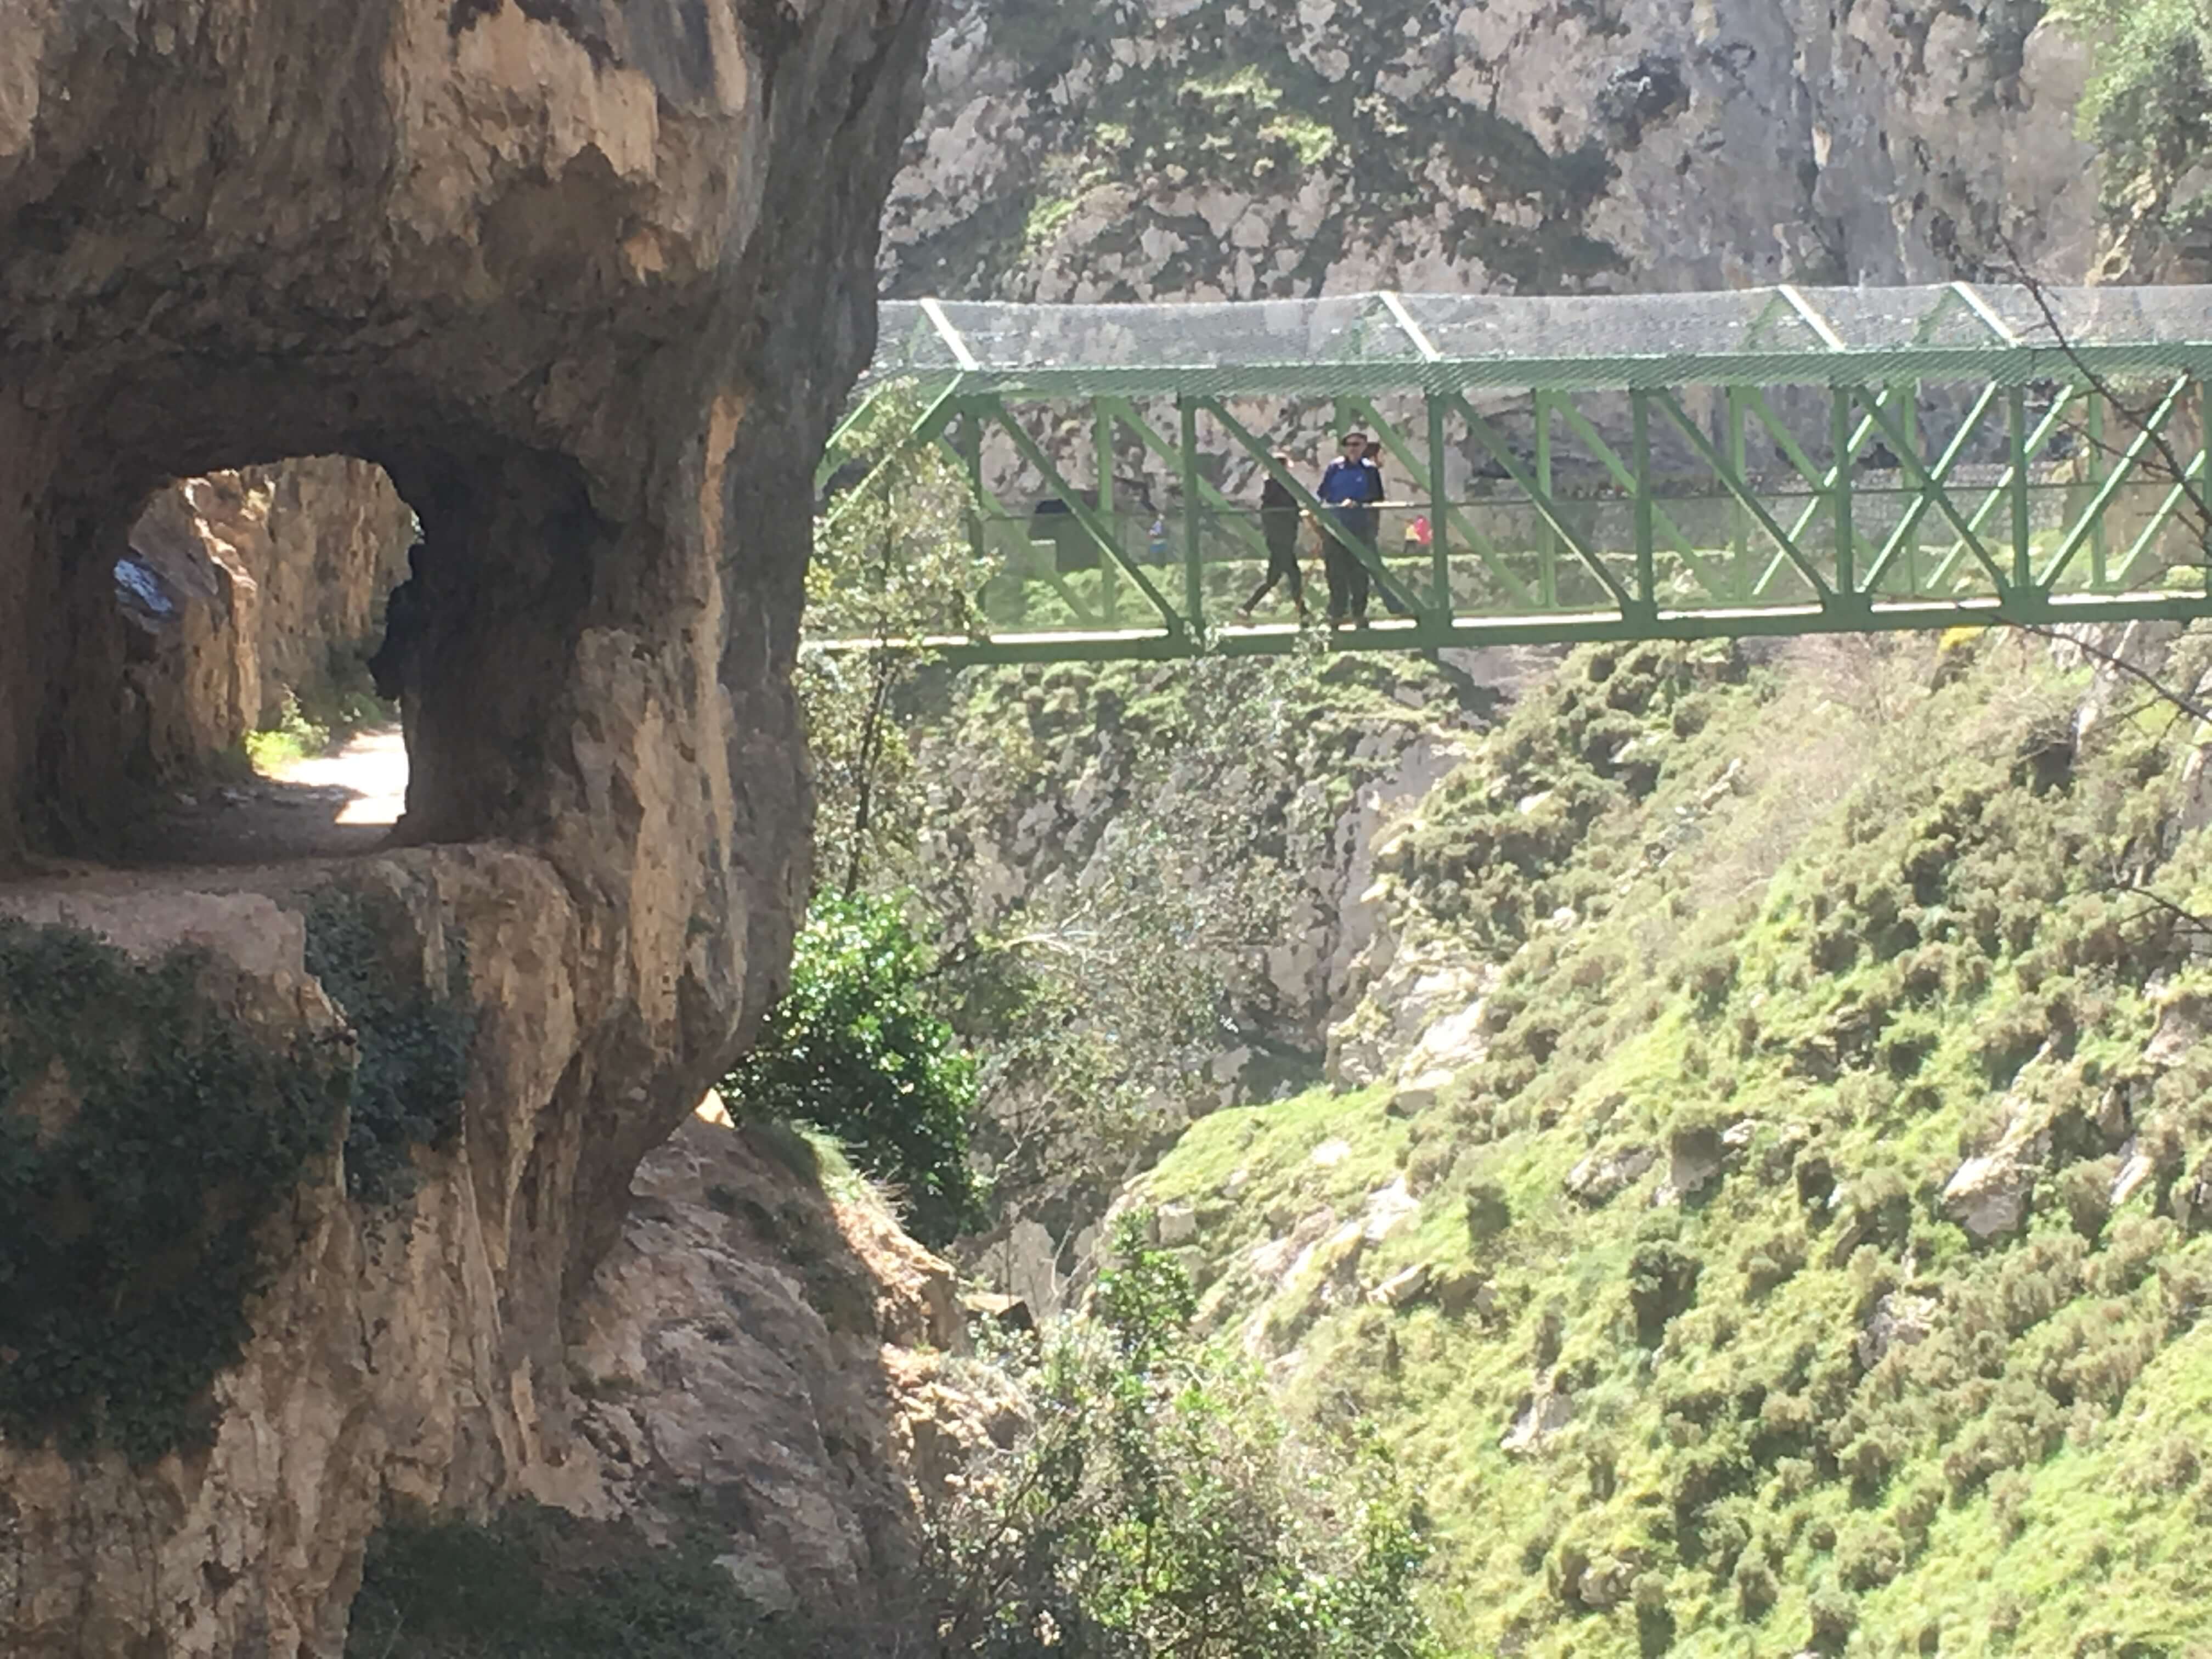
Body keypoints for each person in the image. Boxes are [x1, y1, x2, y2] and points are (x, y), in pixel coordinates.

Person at [1316, 431, 1384, 624]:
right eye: (1349, 444)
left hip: (1360, 527)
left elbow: (1377, 498)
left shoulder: (1370, 470)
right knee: (1335, 572)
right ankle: (1337, 613)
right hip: (1336, 527)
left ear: (1364, 448)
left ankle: (1358, 613)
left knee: (1359, 574)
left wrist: (1360, 504)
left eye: (1357, 444)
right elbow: (1323, 494)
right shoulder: (1335, 468)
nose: (1353, 448)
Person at [1237, 452, 1308, 622]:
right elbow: (1282, 509)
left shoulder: (1277, 487)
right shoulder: (1275, 487)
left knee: (1274, 578)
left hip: (1283, 538)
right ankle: (1304, 614)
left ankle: (1247, 607)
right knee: (1294, 576)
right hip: (1280, 539)